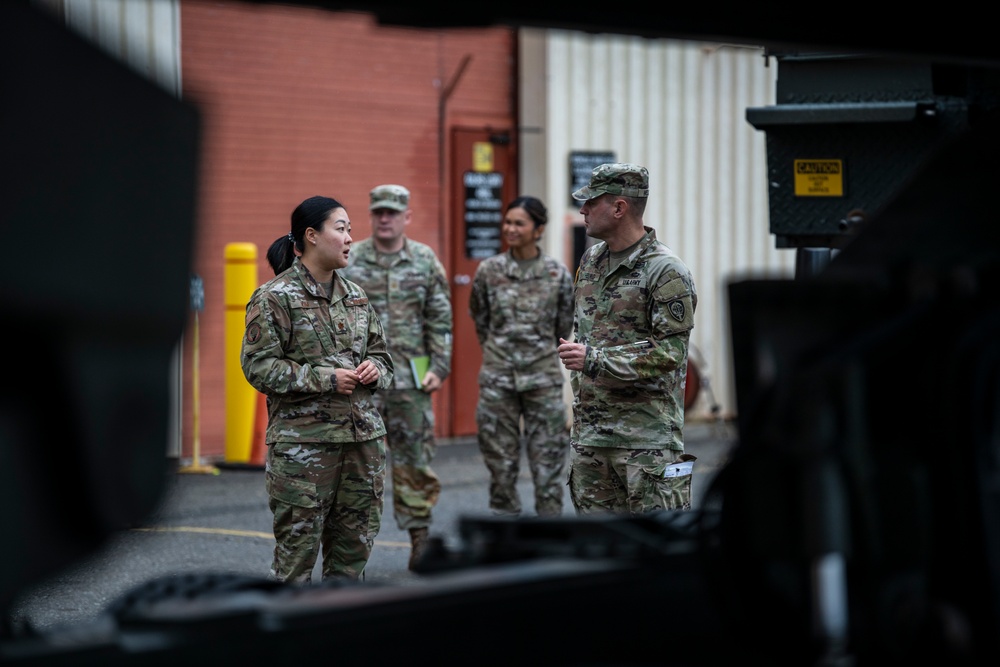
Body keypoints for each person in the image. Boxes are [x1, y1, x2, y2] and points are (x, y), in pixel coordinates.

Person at [241, 195, 394, 582]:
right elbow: (258, 367)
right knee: (296, 561)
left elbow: (383, 357)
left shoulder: (356, 296)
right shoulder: (275, 297)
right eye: (340, 229)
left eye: (350, 230)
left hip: (362, 447)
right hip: (304, 450)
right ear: (311, 236)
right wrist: (324, 378)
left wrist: (375, 370)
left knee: (352, 558)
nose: (349, 239)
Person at [557, 163, 698, 515]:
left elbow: (671, 353)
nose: (583, 210)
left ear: (619, 208)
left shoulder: (665, 270)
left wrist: (595, 360)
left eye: (591, 202)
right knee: (597, 555)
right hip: (592, 438)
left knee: (656, 556)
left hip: (645, 444)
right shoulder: (591, 261)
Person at [341, 184, 453, 570]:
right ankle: (351, 550)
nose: (385, 219)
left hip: (411, 377)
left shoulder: (424, 260)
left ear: (406, 217)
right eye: (378, 212)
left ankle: (419, 538)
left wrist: (438, 367)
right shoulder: (350, 259)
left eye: (392, 212)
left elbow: (440, 319)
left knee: (414, 461)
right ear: (371, 216)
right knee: (357, 464)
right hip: (361, 380)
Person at [468, 196, 574, 517]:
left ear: (538, 229)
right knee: (501, 467)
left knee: (548, 468)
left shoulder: (557, 274)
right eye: (507, 222)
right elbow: (480, 318)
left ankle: (549, 543)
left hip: (542, 381)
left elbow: (564, 326)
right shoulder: (489, 271)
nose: (509, 229)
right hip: (498, 381)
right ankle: (505, 540)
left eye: (519, 223)